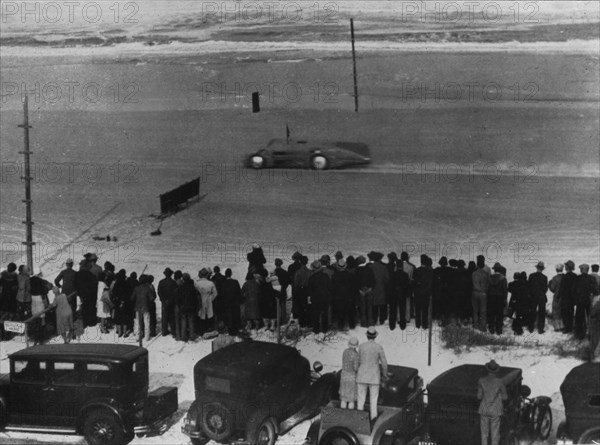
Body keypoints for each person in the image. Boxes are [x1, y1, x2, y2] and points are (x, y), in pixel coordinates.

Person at [356, 327, 388, 421]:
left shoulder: (361, 346)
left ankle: (359, 420)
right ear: (375, 337)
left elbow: (358, 361)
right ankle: (373, 419)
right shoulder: (378, 347)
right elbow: (384, 363)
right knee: (373, 400)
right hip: (374, 377)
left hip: (361, 376)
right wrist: (384, 375)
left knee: (360, 400)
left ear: (367, 336)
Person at [478, 360, 507, 445]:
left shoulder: (481, 380)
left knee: (484, 434)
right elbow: (505, 397)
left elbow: (479, 396)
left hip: (484, 409)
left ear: (487, 370)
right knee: (495, 434)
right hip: (495, 410)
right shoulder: (500, 381)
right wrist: (498, 396)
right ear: (496, 371)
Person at [367, 251, 389, 326]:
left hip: (373, 288)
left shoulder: (370, 267)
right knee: (382, 304)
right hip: (382, 288)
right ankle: (382, 319)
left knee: (374, 305)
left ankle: (374, 319)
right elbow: (387, 278)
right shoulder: (384, 267)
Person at [176, 273, 199, 342]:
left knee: (183, 322)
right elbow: (195, 299)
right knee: (191, 321)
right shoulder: (192, 288)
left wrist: (179, 305)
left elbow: (178, 299)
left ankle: (184, 337)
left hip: (183, 307)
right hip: (191, 307)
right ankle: (192, 336)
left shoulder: (180, 288)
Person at [413, 255, 433, 329]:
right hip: (426, 293)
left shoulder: (416, 270)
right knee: (425, 309)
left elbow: (414, 282)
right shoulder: (429, 271)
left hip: (417, 292)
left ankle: (417, 324)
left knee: (417, 309)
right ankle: (425, 324)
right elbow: (430, 283)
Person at [196, 268, 218, 335]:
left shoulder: (197, 283)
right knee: (209, 315)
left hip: (200, 301)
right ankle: (209, 329)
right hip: (208, 301)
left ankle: (201, 330)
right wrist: (210, 299)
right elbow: (215, 293)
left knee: (201, 316)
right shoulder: (211, 283)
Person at [389, 259, 410, 331]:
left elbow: (390, 286)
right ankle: (402, 325)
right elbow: (407, 286)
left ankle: (392, 325)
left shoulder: (392, 274)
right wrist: (407, 294)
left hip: (393, 294)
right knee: (402, 310)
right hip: (402, 294)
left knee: (393, 310)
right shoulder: (405, 275)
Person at [528, 261, 548, 334]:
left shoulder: (531, 276)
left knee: (532, 312)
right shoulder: (544, 277)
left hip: (533, 297)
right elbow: (545, 289)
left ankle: (531, 328)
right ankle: (540, 329)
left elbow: (529, 287)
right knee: (541, 313)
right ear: (542, 269)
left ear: (537, 268)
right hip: (541, 297)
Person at [339, 337, 359, 409]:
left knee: (343, 398)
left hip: (344, 376)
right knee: (351, 400)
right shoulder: (356, 354)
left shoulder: (345, 352)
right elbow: (355, 368)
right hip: (351, 377)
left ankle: (342, 413)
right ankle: (349, 416)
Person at [472, 256, 491, 331]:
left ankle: (475, 325)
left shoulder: (473, 273)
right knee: (483, 311)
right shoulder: (486, 273)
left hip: (474, 292)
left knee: (475, 310)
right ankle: (482, 327)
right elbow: (489, 284)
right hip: (483, 293)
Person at [487, 263, 507, 335]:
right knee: (499, 314)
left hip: (491, 297)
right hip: (500, 298)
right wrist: (505, 299)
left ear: (494, 269)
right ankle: (499, 330)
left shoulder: (489, 277)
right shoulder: (503, 278)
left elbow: (487, 288)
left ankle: (491, 328)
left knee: (491, 313)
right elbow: (505, 290)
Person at [158, 267, 177, 337]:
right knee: (172, 317)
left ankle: (164, 331)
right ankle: (173, 331)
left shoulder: (161, 282)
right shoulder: (173, 283)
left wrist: (163, 300)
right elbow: (175, 293)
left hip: (164, 302)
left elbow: (159, 292)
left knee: (164, 316)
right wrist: (170, 300)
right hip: (171, 302)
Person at [548, 263, 564, 331]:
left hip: (557, 297)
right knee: (563, 311)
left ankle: (557, 327)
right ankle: (563, 325)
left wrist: (549, 285)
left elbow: (552, 288)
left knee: (556, 311)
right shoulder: (565, 277)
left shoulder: (555, 278)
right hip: (564, 297)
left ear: (556, 270)